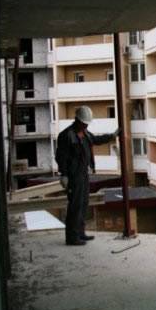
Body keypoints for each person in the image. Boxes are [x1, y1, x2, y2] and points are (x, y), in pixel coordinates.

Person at [55, 105, 119, 245]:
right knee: (75, 206)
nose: (85, 125)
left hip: (83, 173)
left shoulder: (85, 133)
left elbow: (96, 140)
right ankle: (72, 237)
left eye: (86, 123)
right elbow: (61, 156)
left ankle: (80, 233)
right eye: (84, 123)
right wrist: (64, 174)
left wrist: (112, 136)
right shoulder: (66, 135)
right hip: (73, 175)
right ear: (77, 120)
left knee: (83, 204)